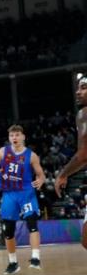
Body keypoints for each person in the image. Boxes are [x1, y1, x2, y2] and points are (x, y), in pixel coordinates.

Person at [0, 124, 46, 274]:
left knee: (32, 223)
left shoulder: (31, 155)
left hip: (26, 193)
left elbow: (41, 174)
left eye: (17, 135)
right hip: (9, 194)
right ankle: (13, 263)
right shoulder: (2, 151)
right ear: (9, 138)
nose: (14, 138)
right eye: (12, 135)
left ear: (23, 137)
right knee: (8, 229)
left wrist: (40, 180)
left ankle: (35, 258)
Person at [54, 77, 87, 250]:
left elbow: (83, 155)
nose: (78, 91)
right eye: (78, 88)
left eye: (83, 88)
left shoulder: (84, 113)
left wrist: (63, 174)